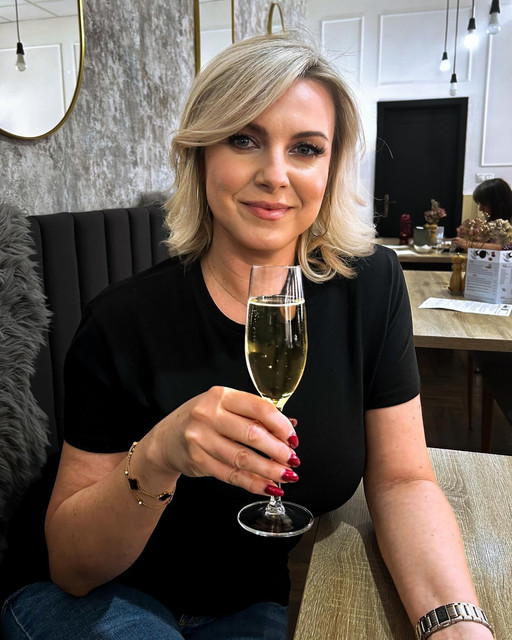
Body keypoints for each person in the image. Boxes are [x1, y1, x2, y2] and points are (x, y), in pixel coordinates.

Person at [2, 32, 494, 640]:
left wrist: (455, 624)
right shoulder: (121, 321)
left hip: (250, 597)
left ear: (331, 167)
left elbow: (403, 481)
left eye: (306, 148)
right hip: (100, 593)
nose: (275, 175)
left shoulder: (368, 287)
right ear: (201, 155)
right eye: (244, 139)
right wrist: (158, 457)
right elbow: (72, 567)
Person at [452, 177, 512, 251]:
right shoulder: (494, 222)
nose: (480, 208)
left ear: (498, 203)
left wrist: (470, 244)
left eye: (484, 204)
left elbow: (507, 248)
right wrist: (470, 236)